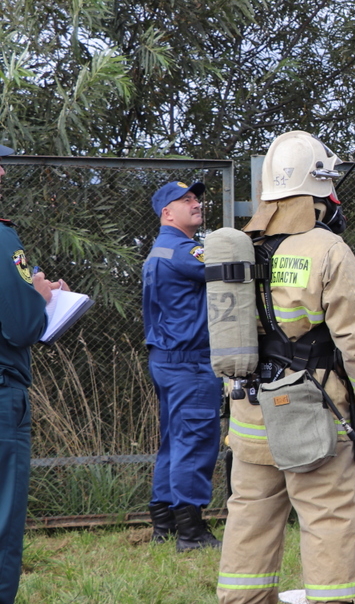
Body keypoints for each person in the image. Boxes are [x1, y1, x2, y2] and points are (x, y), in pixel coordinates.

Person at [217, 131, 355, 604]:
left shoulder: (240, 249)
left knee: (249, 518)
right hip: (311, 414)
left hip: (249, 413)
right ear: (321, 190)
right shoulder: (327, 249)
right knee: (328, 516)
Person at [0, 144, 67, 604]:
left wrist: (32, 286)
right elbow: (23, 326)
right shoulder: (4, 239)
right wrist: (41, 298)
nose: (3, 171)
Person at [142, 180, 222, 551]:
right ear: (166, 213)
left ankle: (164, 524)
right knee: (194, 443)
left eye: (196, 198)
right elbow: (230, 268)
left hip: (167, 361)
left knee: (174, 443)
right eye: (185, 200)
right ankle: (191, 533)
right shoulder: (184, 253)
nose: (196, 204)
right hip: (189, 364)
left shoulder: (159, 252)